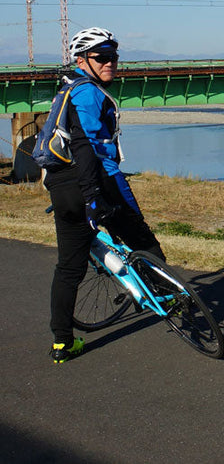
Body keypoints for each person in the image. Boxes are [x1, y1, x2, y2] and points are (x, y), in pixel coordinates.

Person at [46, 27, 165, 363]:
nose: (110, 63)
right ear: (81, 60)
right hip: (96, 182)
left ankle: (62, 343)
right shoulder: (88, 92)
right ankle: (174, 299)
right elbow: (89, 148)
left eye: (113, 56)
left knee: (68, 268)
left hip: (62, 187)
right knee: (142, 239)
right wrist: (97, 197)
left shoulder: (65, 91)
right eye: (102, 57)